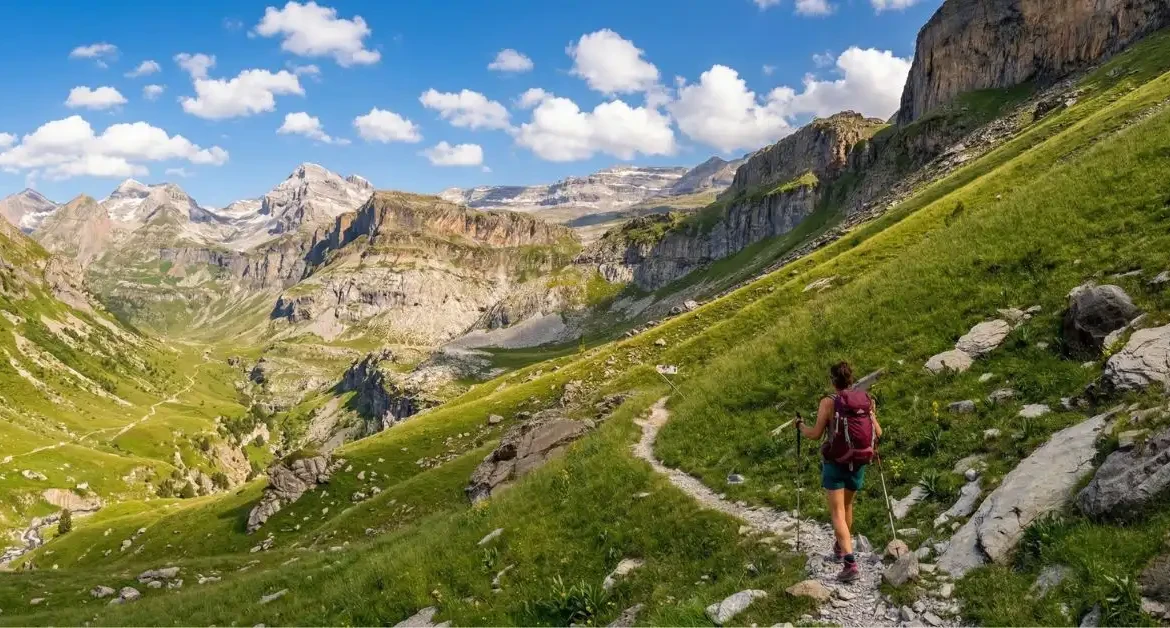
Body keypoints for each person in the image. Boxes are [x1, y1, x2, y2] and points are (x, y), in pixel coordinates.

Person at [795, 361, 882, 583]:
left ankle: (850, 564)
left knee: (837, 513)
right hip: (859, 462)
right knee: (847, 507)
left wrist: (800, 426)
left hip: (835, 463)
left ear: (833, 381)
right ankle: (840, 545)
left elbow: (815, 434)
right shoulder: (866, 400)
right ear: (851, 379)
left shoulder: (828, 402)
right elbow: (879, 432)